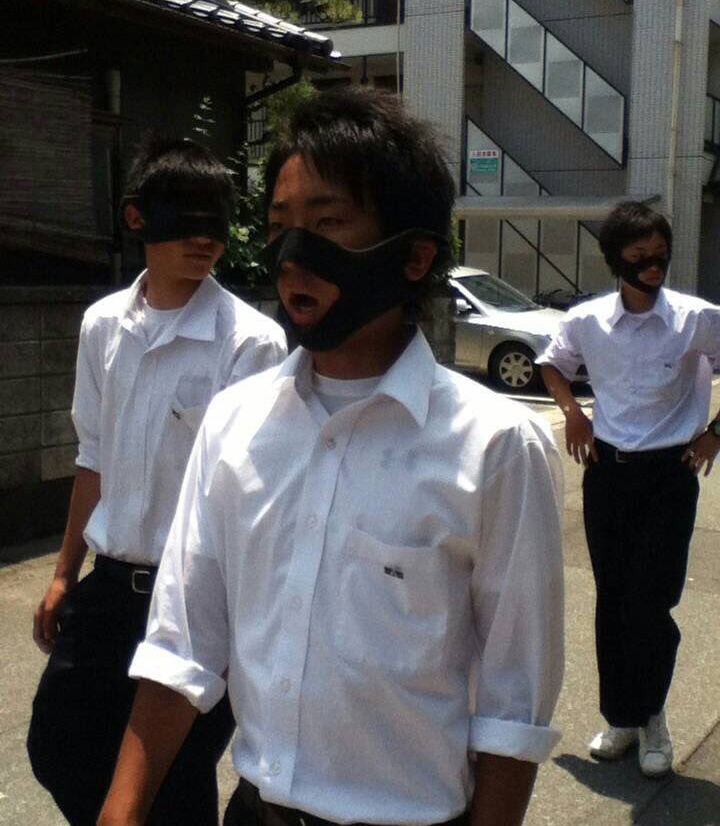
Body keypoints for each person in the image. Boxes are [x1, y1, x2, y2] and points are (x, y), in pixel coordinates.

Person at [98, 87, 565, 826]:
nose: (293, 256)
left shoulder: (497, 446)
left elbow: (514, 705)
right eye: (280, 226)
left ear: (415, 255)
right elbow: (181, 645)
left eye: (327, 223)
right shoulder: (234, 424)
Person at [27, 136, 287, 826]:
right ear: (138, 218)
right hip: (111, 586)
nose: (206, 239)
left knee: (172, 783)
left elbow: (254, 496)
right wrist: (63, 573)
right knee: (58, 747)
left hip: (198, 602)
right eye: (187, 219)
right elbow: (93, 456)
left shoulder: (250, 341)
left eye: (217, 221)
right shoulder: (103, 325)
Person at [538, 200, 720, 778]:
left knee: (650, 602)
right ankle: (621, 717)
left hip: (669, 475)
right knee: (613, 599)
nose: (653, 264)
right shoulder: (587, 321)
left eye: (660, 252)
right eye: (640, 254)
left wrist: (715, 433)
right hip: (608, 474)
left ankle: (652, 715)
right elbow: (552, 364)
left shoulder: (696, 318)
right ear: (616, 259)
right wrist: (573, 413)